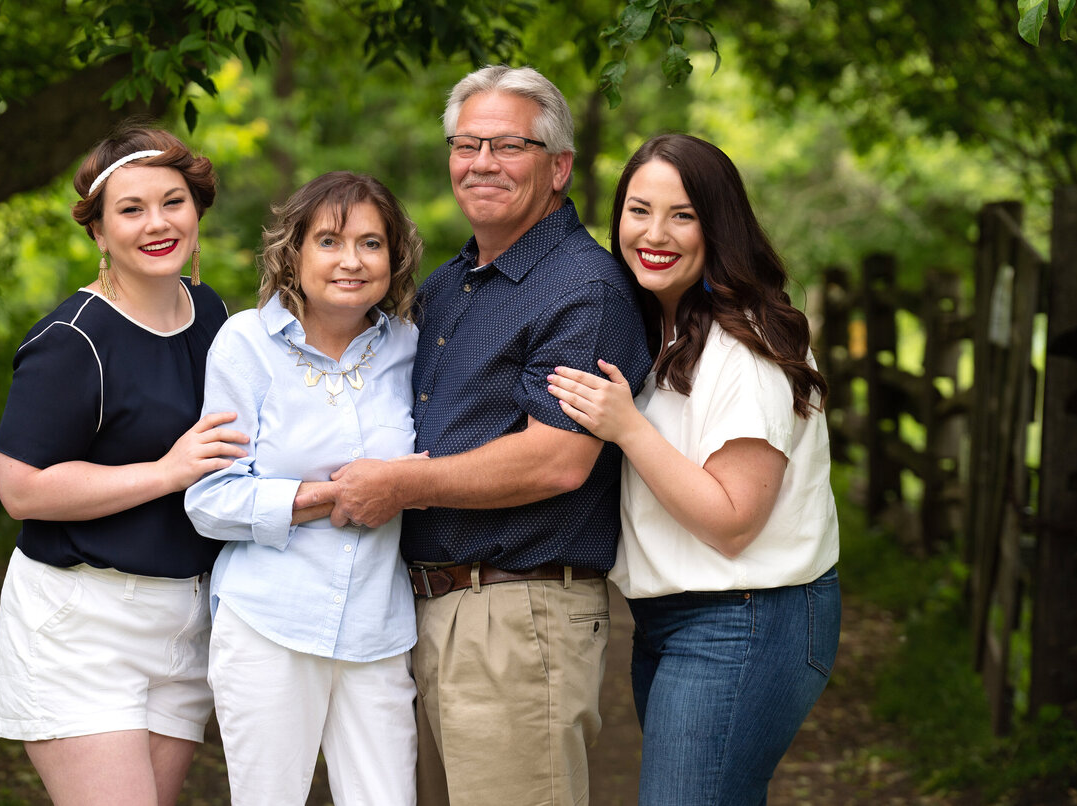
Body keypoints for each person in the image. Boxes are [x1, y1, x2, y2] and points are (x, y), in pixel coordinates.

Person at [300, 65, 653, 805]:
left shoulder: (582, 287)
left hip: (515, 615)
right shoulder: (445, 285)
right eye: (467, 145)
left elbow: (556, 459)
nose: (482, 163)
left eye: (508, 146)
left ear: (558, 167)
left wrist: (396, 484)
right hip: (421, 611)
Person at [546, 133, 842, 805]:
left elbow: (732, 521)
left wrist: (627, 427)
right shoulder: (664, 331)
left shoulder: (747, 347)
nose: (655, 233)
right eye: (638, 210)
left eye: (682, 215)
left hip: (745, 619)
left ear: (719, 224)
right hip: (678, 622)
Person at [0, 123, 250, 804]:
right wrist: (167, 471)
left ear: (197, 212)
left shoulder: (213, 316)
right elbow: (21, 489)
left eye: (173, 202)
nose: (157, 223)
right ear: (100, 234)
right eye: (131, 210)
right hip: (83, 621)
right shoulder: (72, 341)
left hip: (185, 620)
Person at [183, 171, 424, 805]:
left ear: (395, 258)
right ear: (293, 252)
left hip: (378, 627)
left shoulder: (410, 347)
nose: (352, 261)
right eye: (330, 241)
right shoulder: (244, 345)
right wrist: (326, 498)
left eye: (372, 244)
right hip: (270, 622)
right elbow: (209, 499)